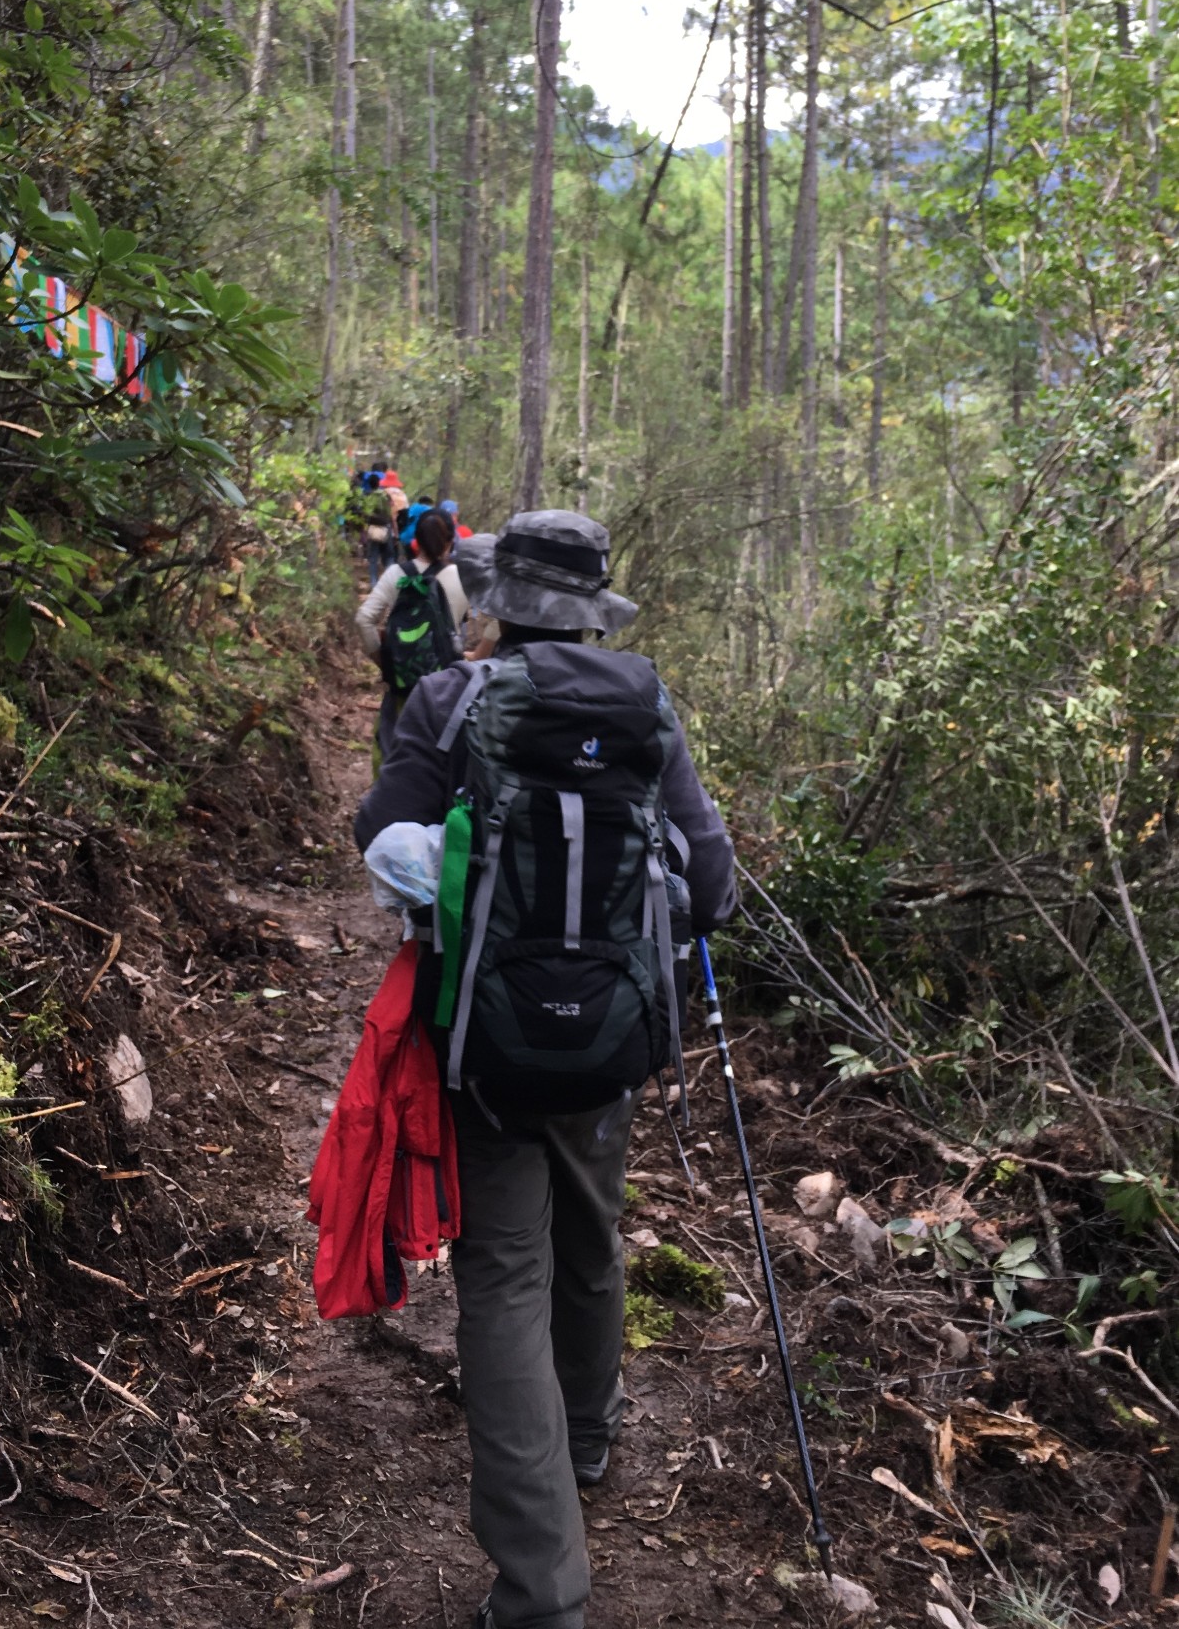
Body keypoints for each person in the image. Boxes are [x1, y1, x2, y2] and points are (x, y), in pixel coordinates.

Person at [354, 510, 737, 1629]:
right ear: (596, 607)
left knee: (504, 1275)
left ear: (498, 597)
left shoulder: (450, 700)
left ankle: (542, 1594)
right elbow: (711, 890)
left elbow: (383, 832)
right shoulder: (645, 709)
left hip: (484, 1043)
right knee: (593, 1228)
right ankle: (592, 1435)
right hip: (612, 1039)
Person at [356, 506, 466, 765]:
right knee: (441, 754)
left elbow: (363, 619)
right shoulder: (461, 578)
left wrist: (383, 661)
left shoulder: (396, 573)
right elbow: (492, 625)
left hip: (404, 683)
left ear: (416, 539)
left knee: (392, 748)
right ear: (450, 541)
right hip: (447, 685)